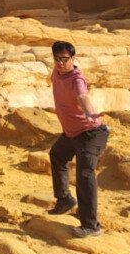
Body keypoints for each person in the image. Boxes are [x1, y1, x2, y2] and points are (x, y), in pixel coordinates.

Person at [46, 40, 109, 237]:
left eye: (64, 59)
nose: (60, 63)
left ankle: (91, 226)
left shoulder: (77, 79)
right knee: (57, 155)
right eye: (57, 59)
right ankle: (64, 200)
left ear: (73, 59)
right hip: (72, 133)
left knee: (84, 175)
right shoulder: (56, 73)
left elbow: (82, 97)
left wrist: (90, 113)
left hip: (90, 134)